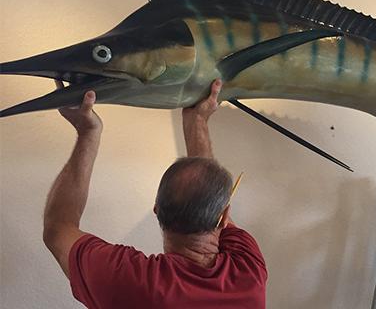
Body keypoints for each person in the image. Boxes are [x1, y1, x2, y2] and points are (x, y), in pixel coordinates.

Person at [42, 79, 267, 308]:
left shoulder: (131, 282)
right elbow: (207, 193)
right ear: (224, 217)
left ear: (157, 210)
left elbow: (57, 229)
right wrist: (197, 121)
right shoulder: (248, 268)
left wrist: (88, 132)